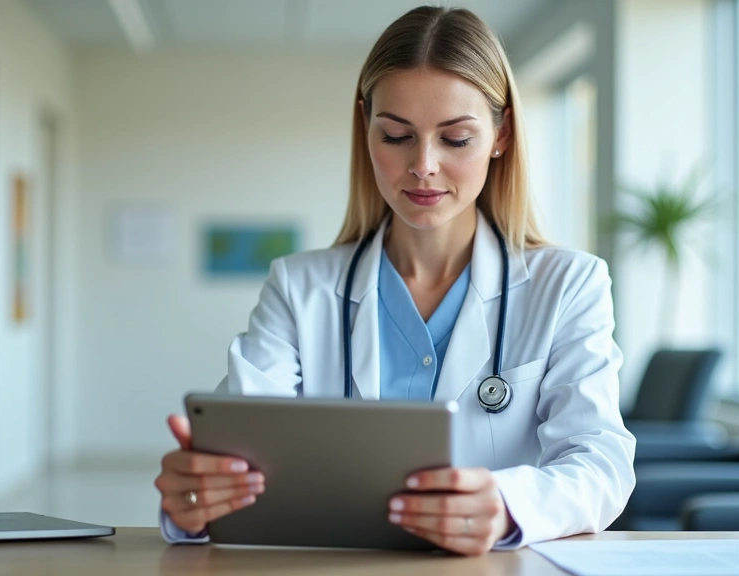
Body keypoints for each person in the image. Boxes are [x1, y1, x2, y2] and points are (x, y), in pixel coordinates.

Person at [153, 5, 635, 556]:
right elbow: (233, 455)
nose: (423, 165)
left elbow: (601, 463)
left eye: (455, 139)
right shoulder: (298, 287)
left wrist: (504, 505)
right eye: (396, 135)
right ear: (366, 128)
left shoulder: (569, 284)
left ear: (501, 134)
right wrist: (197, 496)